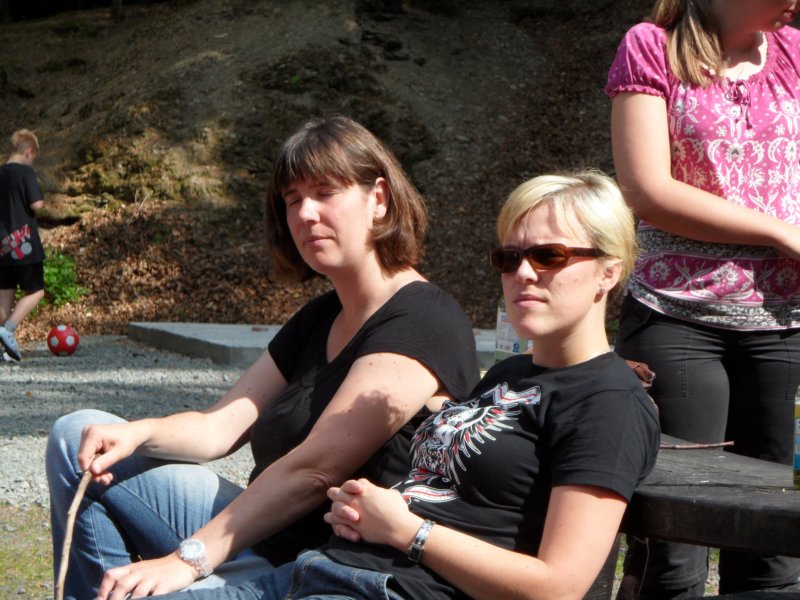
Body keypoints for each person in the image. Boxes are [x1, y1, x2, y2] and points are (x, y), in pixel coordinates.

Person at [155, 170, 661, 600]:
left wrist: (407, 531)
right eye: (508, 259)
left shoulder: (608, 403)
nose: (523, 273)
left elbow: (559, 587)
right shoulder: (509, 375)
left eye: (549, 256)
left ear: (608, 272)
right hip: (320, 570)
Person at [46, 115, 481, 600]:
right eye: (293, 200)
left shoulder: (423, 318)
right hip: (260, 538)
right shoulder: (320, 317)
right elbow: (218, 428)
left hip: (327, 570)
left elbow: (316, 469)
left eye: (325, 192)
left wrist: (186, 560)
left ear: (378, 199)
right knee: (75, 436)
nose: (306, 214)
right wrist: (137, 433)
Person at [606, 0, 800, 596]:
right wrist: (779, 232)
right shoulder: (651, 46)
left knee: (773, 545)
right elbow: (647, 189)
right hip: (677, 314)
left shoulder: (796, 53)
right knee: (675, 543)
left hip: (784, 322)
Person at [0, 128, 46, 362]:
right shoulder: (26, 173)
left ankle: (2, 350)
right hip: (24, 244)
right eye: (33, 156)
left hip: (2, 246)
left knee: (5, 294)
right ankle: (8, 330)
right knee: (36, 290)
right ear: (29, 152)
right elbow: (36, 204)